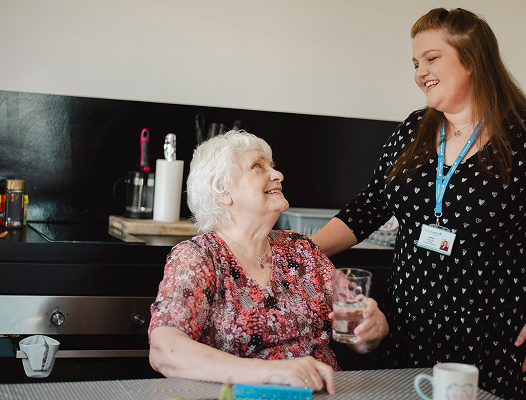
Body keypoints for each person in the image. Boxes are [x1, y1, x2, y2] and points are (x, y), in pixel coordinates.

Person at [312, 8, 526, 400]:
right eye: (414, 62)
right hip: (409, 324)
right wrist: (295, 250)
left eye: (431, 58)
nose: (419, 72)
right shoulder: (414, 129)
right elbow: (370, 206)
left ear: (473, 60)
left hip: (496, 333)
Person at [148, 130, 389, 395]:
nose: (278, 175)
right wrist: (272, 373)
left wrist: (373, 328)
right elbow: (164, 350)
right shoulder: (198, 257)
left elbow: (357, 334)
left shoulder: (301, 249)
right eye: (258, 166)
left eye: (272, 166)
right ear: (222, 190)